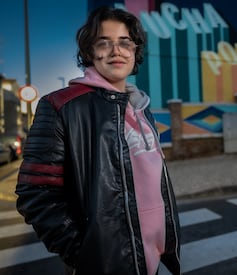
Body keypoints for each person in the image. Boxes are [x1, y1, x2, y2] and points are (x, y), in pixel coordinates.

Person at [15, 6, 180, 275]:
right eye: (104, 42)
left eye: (125, 42)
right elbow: (35, 194)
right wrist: (85, 253)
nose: (116, 50)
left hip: (151, 259)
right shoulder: (59, 106)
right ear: (91, 52)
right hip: (104, 265)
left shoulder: (142, 107)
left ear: (135, 51)